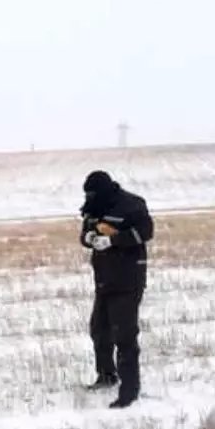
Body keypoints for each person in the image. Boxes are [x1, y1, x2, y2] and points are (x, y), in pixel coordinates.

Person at [78, 170, 154, 409]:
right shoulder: (93, 206)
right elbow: (83, 234)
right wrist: (90, 238)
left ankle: (129, 390)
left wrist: (114, 240)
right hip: (104, 277)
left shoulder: (131, 204)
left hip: (128, 277)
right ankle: (106, 375)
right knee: (99, 330)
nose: (90, 198)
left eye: (92, 194)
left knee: (124, 334)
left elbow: (146, 232)